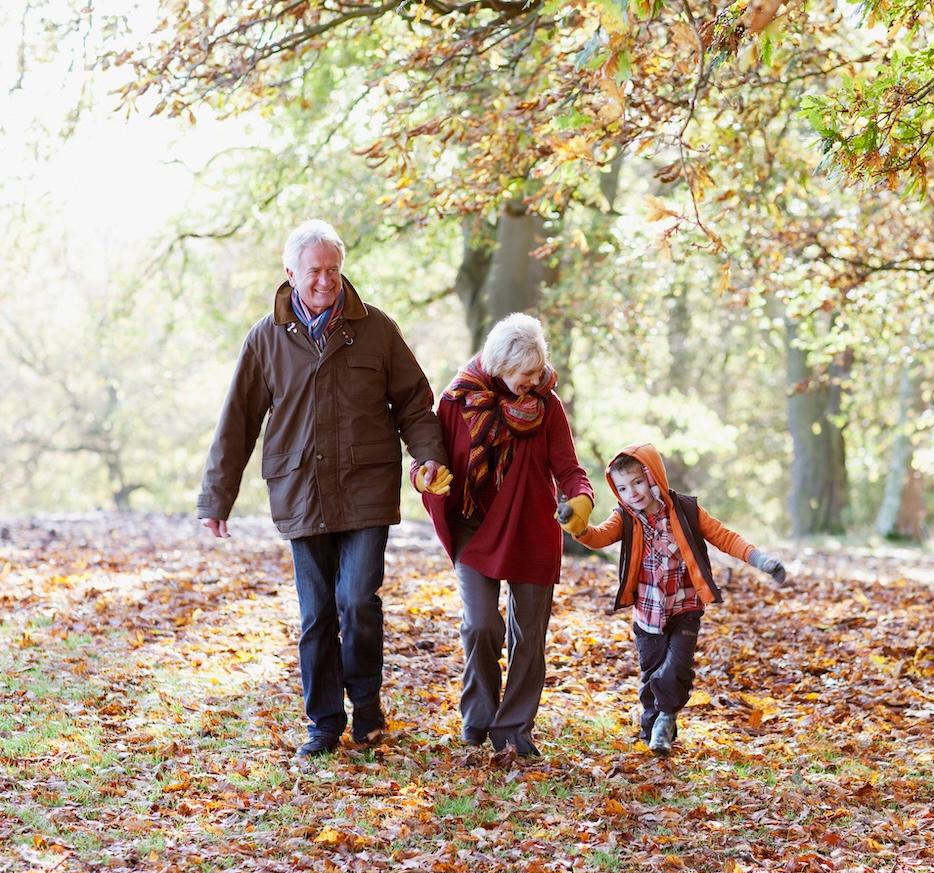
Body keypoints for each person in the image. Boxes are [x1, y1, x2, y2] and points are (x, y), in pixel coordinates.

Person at [197, 219, 451, 758]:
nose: (325, 280)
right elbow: (237, 422)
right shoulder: (266, 338)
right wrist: (216, 498)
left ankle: (366, 709)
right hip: (299, 490)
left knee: (358, 600)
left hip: (366, 488)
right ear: (290, 273)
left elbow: (413, 403)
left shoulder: (376, 329)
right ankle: (323, 723)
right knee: (317, 615)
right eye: (314, 271)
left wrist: (428, 456)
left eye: (334, 270)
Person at [419, 313, 593, 757]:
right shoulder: (457, 401)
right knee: (481, 624)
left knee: (529, 634)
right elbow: (430, 459)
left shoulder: (547, 406)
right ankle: (478, 718)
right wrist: (426, 477)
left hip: (532, 527)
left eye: (539, 372)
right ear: (498, 366)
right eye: (524, 375)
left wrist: (581, 498)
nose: (534, 383)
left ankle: (515, 728)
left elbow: (569, 469)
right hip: (474, 528)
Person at [566, 443, 787, 755]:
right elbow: (598, 536)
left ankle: (667, 716)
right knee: (650, 679)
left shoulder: (685, 510)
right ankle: (654, 731)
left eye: (638, 482)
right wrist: (578, 527)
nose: (633, 493)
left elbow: (725, 537)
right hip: (647, 615)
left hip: (684, 608)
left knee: (675, 669)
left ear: (653, 475)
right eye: (624, 488)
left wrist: (761, 560)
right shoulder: (625, 518)